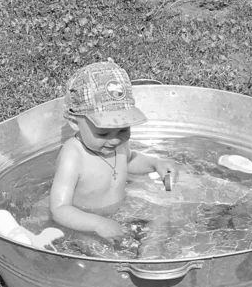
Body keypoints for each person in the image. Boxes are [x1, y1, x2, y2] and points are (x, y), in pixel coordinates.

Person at [50, 60, 179, 245]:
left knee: (162, 215)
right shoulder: (73, 155)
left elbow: (130, 159)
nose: (115, 139)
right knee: (92, 247)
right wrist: (97, 224)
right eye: (103, 133)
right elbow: (60, 209)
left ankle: (151, 252)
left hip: (120, 211)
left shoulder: (117, 142)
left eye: (123, 129)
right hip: (83, 222)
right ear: (74, 122)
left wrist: (155, 164)